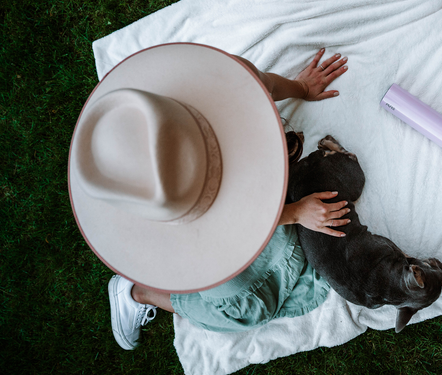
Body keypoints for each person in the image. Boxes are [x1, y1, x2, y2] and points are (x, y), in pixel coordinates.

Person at [103, 48, 350, 349]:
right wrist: (296, 213)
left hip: (220, 219)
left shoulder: (230, 83)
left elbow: (264, 84)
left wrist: (301, 88)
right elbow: (234, 219)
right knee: (247, 309)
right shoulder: (157, 197)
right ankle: (141, 292)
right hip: (201, 235)